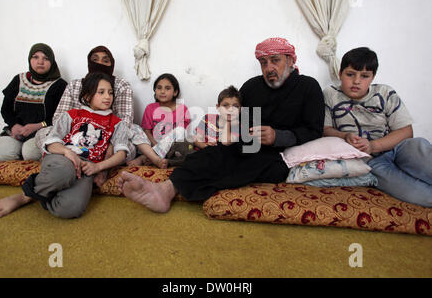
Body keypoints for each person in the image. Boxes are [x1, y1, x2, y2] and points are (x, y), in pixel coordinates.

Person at [116, 37, 325, 213]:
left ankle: (170, 190)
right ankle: (165, 189)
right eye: (263, 62)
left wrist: (278, 136)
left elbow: (314, 130)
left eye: (275, 60)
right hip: (248, 146)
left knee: (243, 166)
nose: (269, 68)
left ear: (289, 60)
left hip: (280, 154)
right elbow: (239, 122)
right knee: (208, 155)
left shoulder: (308, 87)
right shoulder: (252, 87)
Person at [0, 72, 132, 219]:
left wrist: (98, 167)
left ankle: (49, 189)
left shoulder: (117, 123)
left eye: (110, 93)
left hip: (87, 168)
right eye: (101, 92)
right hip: (62, 157)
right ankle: (25, 196)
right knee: (65, 172)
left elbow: (121, 153)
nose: (107, 97)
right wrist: (67, 153)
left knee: (70, 209)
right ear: (87, 96)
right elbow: (51, 142)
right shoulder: (72, 115)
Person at [323, 47, 432, 207]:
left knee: (420, 150)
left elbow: (406, 132)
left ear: (373, 77)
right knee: (420, 196)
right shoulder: (330, 95)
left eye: (365, 76)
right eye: (350, 74)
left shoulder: (385, 93)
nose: (356, 81)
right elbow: (325, 130)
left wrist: (373, 145)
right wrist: (344, 136)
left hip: (398, 148)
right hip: (372, 162)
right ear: (340, 74)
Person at [34, 45, 157, 186]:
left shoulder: (121, 85)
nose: (100, 64)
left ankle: (102, 168)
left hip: (107, 135)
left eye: (105, 61)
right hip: (76, 135)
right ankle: (70, 161)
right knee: (42, 134)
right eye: (95, 60)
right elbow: (59, 117)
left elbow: (125, 121)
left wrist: (108, 147)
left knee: (129, 141)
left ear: (112, 64)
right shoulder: (75, 85)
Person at [0, 43, 67, 162]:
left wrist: (38, 126)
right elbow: (5, 109)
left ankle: (23, 153)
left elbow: (61, 117)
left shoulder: (59, 85)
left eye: (45, 58)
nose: (40, 62)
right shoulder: (18, 80)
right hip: (16, 131)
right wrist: (14, 125)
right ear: (30, 59)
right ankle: (17, 151)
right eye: (35, 57)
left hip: (43, 132)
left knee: (31, 154)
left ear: (52, 62)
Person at [134, 73, 191, 165]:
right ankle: (154, 155)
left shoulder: (182, 109)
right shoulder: (150, 108)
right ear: (155, 91)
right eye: (159, 88)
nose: (162, 91)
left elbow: (181, 134)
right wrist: (156, 145)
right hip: (153, 145)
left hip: (172, 148)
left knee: (181, 131)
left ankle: (147, 157)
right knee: (135, 129)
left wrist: (164, 146)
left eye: (167, 88)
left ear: (175, 92)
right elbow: (147, 131)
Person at [194, 85, 241, 149]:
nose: (230, 109)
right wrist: (205, 146)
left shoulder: (237, 126)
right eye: (225, 105)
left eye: (235, 106)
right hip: (203, 150)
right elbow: (196, 139)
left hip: (220, 155)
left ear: (240, 109)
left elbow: (226, 142)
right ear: (218, 107)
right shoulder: (207, 118)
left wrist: (228, 122)